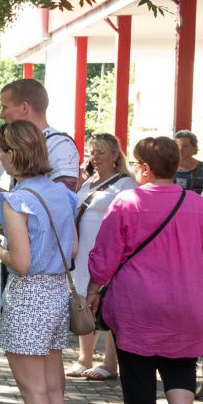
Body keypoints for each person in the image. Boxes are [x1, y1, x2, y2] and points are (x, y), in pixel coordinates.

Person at [88, 136, 203, 404]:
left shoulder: (127, 202)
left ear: (145, 168)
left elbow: (106, 255)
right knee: (181, 364)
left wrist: (94, 290)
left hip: (136, 303)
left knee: (137, 369)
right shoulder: (197, 205)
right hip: (188, 302)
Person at [0, 120, 79, 404]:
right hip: (57, 292)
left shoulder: (15, 200)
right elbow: (70, 251)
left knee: (33, 391)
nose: (1, 159)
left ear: (12, 154)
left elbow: (20, 263)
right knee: (54, 389)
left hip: (29, 296)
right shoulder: (63, 194)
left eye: (2, 151)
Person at [69, 134, 135, 382]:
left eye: (100, 153)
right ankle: (84, 357)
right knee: (84, 302)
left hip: (109, 253)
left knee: (108, 307)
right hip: (84, 252)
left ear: (115, 155)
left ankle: (110, 363)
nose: (94, 158)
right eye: (91, 152)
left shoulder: (125, 184)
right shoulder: (88, 183)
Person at [0, 80, 81, 206]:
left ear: (24, 107)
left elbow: (63, 203)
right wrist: (0, 199)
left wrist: (10, 201)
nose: (1, 115)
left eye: (5, 107)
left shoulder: (60, 145)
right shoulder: (22, 144)